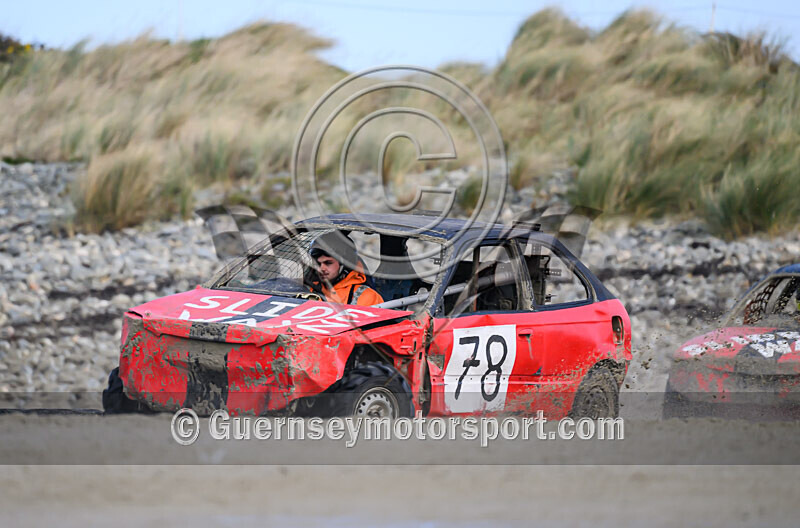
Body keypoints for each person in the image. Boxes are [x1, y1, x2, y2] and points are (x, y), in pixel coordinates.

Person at [306, 231, 383, 306]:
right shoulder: (306, 291)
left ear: (344, 264)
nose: (321, 269)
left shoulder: (367, 296)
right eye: (318, 264)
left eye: (328, 263)